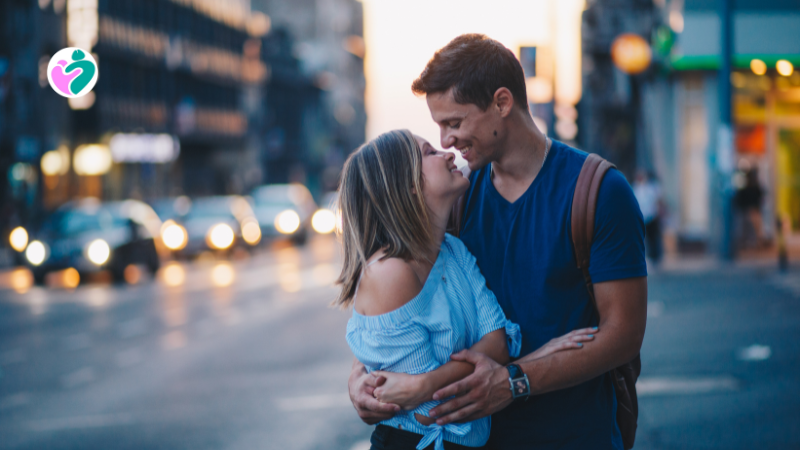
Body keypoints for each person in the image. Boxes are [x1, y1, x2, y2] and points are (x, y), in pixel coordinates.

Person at [349, 34, 648, 450]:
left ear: (502, 103)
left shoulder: (597, 191)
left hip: (575, 436)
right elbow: (402, 321)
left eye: (454, 123)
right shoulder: (455, 199)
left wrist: (515, 381)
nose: (446, 141)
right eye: (439, 127)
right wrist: (361, 380)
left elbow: (624, 333)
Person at [339, 130, 596, 450]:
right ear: (406, 186)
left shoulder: (454, 251)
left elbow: (498, 341)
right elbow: (429, 409)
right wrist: (541, 355)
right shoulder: (390, 273)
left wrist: (427, 383)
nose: (448, 152)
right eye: (430, 152)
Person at [633, 169, 664, 265]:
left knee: (653, 237)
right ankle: (649, 256)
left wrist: (659, 212)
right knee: (644, 238)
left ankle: (656, 257)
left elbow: (657, 200)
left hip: (652, 216)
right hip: (642, 216)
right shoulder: (635, 188)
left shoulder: (651, 187)